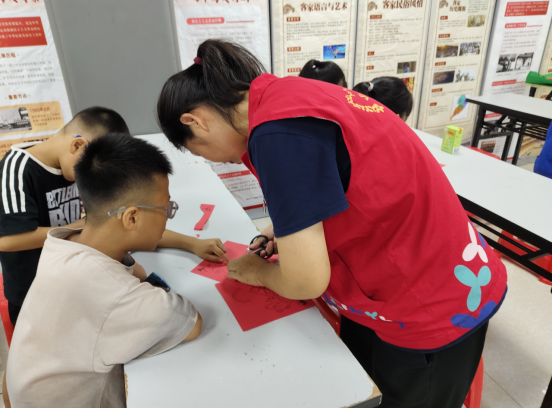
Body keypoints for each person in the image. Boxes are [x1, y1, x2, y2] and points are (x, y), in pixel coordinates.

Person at [156, 40, 507, 408]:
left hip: (430, 299)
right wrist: (288, 229)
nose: (215, 160)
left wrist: (256, 272)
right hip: (414, 267)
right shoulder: (285, 95)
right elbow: (345, 178)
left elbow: (306, 281)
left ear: (195, 121)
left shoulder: (276, 134)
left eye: (199, 150)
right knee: (365, 387)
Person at [5, 134, 203, 408]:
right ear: (131, 217)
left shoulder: (63, 241)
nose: (168, 216)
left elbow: (132, 273)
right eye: (166, 208)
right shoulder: (113, 292)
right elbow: (190, 323)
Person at [0, 107, 128, 325]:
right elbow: (8, 240)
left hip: (71, 281)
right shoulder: (16, 170)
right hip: (33, 295)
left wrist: (188, 242)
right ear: (77, 145)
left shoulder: (71, 164)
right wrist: (79, 226)